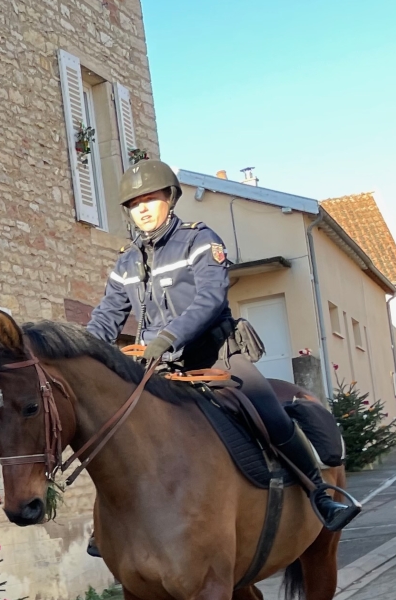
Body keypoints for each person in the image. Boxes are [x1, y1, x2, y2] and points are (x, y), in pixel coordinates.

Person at [85, 159, 359, 530]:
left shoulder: (199, 240)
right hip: (155, 366)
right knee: (116, 430)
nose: (142, 209)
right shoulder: (126, 264)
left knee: (268, 411)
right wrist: (81, 348)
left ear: (170, 197)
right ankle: (111, 524)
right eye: (134, 204)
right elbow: (107, 316)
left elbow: (210, 298)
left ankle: (321, 495)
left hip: (216, 357)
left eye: (149, 199)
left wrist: (168, 337)